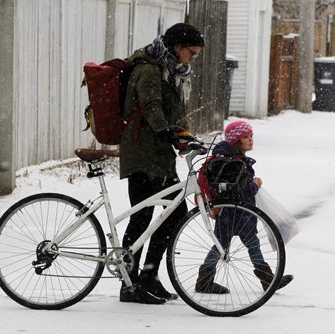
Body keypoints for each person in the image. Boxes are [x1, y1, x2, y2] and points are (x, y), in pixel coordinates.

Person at [118, 23, 205, 304]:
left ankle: (148, 275)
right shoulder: (150, 69)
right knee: (142, 217)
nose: (192, 58)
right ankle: (130, 284)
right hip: (142, 152)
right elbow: (152, 107)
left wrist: (182, 135)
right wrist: (167, 132)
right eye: (191, 52)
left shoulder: (169, 71)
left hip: (159, 154)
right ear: (177, 47)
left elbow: (170, 112)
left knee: (174, 214)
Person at [195, 120, 294, 294]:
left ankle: (267, 280)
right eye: (246, 137)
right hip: (238, 213)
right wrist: (254, 184)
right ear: (236, 141)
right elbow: (241, 191)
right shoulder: (234, 163)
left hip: (232, 213)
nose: (251, 140)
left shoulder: (230, 159)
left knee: (231, 245)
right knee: (225, 246)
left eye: (251, 136)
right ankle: (206, 281)